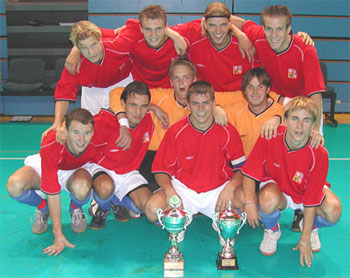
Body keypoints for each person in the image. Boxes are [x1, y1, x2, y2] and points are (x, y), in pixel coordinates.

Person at [110, 59, 243, 190]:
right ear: (171, 81)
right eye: (176, 78)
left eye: (186, 77)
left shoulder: (205, 96)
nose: (181, 82)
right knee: (155, 189)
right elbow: (116, 93)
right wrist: (150, 107)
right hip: (157, 155)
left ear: (194, 79)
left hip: (194, 157)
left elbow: (244, 97)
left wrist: (217, 107)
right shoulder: (161, 95)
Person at [241, 96, 342, 267]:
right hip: (278, 189)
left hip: (305, 192)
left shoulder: (319, 153)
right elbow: (250, 173)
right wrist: (250, 203)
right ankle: (272, 230)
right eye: (295, 119)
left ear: (313, 125)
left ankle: (310, 226)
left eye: (306, 120)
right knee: (266, 200)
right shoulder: (269, 136)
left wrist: (305, 237)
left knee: (334, 210)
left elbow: (311, 199)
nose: (300, 126)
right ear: (285, 120)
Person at [144, 81, 247, 240]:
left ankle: (223, 221)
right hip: (184, 190)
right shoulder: (176, 132)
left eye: (206, 103)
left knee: (249, 203)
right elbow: (160, 170)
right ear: (188, 105)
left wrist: (231, 188)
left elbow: (241, 169)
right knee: (152, 210)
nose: (201, 109)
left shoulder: (228, 131)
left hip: (218, 190)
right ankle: (179, 220)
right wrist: (171, 192)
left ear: (214, 103)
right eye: (195, 104)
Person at [7, 108, 100, 256]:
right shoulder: (52, 143)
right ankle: (43, 208)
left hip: (75, 170)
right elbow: (52, 191)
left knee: (82, 187)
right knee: (14, 185)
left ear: (93, 132)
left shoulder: (97, 137)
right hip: (49, 165)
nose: (82, 140)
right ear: (66, 131)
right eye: (75, 133)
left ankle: (75, 208)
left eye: (87, 133)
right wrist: (58, 235)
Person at [231, 5, 325, 133]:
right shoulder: (259, 36)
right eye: (269, 29)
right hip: (276, 100)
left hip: (304, 104)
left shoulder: (305, 50)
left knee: (311, 144)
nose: (273, 35)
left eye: (279, 29)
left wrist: (315, 129)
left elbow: (316, 95)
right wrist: (239, 34)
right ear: (263, 28)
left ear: (288, 29)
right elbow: (228, 19)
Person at [42, 20, 133, 141]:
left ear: (100, 39)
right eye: (84, 48)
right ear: (78, 47)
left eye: (94, 45)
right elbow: (64, 91)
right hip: (92, 93)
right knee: (91, 133)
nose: (91, 52)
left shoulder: (117, 44)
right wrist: (57, 123)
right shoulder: (74, 64)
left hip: (122, 84)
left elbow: (138, 26)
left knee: (125, 128)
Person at [65, 5, 188, 89]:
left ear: (166, 26)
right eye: (148, 29)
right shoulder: (133, 36)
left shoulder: (176, 37)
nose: (153, 35)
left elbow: (186, 44)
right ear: (140, 28)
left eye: (159, 29)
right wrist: (76, 49)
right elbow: (90, 35)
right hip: (139, 90)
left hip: (169, 90)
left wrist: (174, 36)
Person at [87, 81, 155, 229]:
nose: (138, 112)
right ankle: (103, 207)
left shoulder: (149, 121)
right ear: (123, 104)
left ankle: (115, 201)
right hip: (102, 170)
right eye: (133, 105)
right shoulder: (103, 123)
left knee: (152, 211)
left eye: (143, 106)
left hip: (128, 173)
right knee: (105, 188)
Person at [225, 67, 284, 157]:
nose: (255, 91)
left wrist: (278, 118)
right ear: (244, 91)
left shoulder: (282, 112)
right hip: (242, 168)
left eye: (260, 87)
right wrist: (217, 110)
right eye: (250, 87)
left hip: (271, 168)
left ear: (268, 90)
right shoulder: (234, 112)